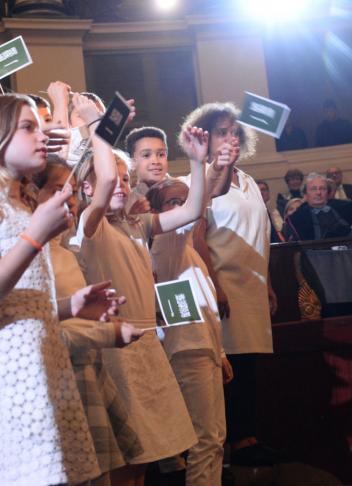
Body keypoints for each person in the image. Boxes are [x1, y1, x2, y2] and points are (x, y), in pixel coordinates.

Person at [0, 93, 125, 486]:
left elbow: (11, 301)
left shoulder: (22, 203)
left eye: (40, 127)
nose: (42, 136)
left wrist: (69, 306)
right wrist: (34, 237)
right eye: (28, 128)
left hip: (42, 363)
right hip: (7, 370)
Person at [74, 93, 200, 486]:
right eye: (113, 178)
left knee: (148, 455)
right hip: (116, 345)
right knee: (125, 457)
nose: (122, 185)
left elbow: (192, 211)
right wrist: (101, 124)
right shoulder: (89, 228)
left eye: (128, 180)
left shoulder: (136, 225)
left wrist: (197, 160)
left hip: (147, 343)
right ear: (85, 187)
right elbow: (106, 176)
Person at [179, 102, 280, 468]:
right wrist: (214, 286)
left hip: (251, 284)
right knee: (229, 365)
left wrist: (267, 284)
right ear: (205, 136)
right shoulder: (196, 182)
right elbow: (197, 238)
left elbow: (261, 237)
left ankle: (250, 437)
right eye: (222, 131)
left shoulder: (250, 181)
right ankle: (236, 444)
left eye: (234, 132)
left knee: (249, 362)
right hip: (221, 283)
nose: (230, 138)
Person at [33, 156, 144, 485]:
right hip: (57, 387)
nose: (68, 199)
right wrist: (105, 334)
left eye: (70, 192)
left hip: (88, 375)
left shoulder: (63, 254)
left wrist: (97, 318)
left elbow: (64, 316)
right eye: (56, 189)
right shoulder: (26, 255)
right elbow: (37, 329)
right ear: (28, 194)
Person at [147, 179, 233, 486]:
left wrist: (220, 353)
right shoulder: (166, 246)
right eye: (175, 202)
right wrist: (204, 166)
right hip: (186, 351)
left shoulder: (191, 253)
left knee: (216, 438)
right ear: (157, 212)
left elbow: (204, 310)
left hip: (203, 348)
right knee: (203, 441)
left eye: (187, 199)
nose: (185, 206)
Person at [283, 174, 352, 242]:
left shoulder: (350, 207)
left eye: (322, 188)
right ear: (305, 195)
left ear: (328, 193)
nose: (318, 192)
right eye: (313, 189)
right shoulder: (295, 219)